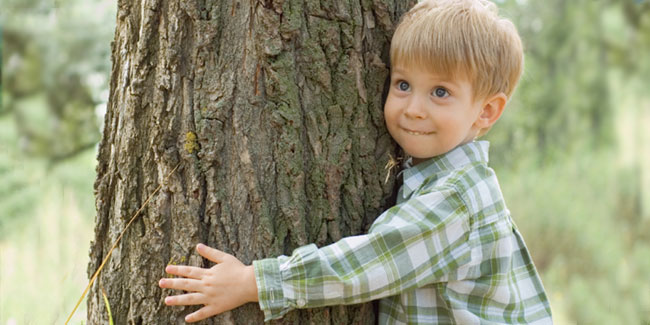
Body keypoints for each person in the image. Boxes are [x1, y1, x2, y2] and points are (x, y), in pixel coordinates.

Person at [158, 0, 553, 323]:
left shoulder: (454, 201)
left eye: (440, 92)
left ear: (486, 112)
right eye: (403, 85)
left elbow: (363, 266)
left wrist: (254, 283)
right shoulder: (446, 179)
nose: (413, 108)